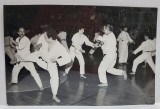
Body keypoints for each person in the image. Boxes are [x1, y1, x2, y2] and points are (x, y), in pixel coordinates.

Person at [18, 27, 71, 103]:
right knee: (26, 57)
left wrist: (57, 60)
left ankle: (54, 95)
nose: (43, 37)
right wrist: (37, 47)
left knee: (55, 78)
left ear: (50, 38)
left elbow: (68, 58)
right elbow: (39, 43)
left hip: (51, 64)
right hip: (39, 57)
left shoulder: (59, 47)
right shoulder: (44, 36)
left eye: (45, 37)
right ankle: (17, 58)